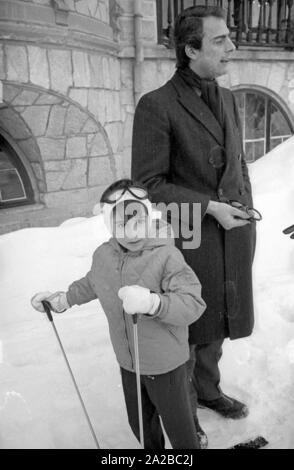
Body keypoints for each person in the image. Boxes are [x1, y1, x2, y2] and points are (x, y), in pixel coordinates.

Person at [132, 5, 256, 430]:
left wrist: (245, 209)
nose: (232, 47)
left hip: (233, 234)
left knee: (219, 321)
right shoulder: (156, 105)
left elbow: (237, 163)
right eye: (220, 40)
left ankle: (208, 389)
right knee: (187, 327)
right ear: (190, 49)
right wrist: (210, 208)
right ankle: (185, 413)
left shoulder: (227, 97)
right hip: (190, 238)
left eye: (229, 38)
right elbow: (149, 184)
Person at [31, 179, 207, 450]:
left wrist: (153, 303)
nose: (132, 231)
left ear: (149, 217)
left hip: (166, 366)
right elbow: (93, 283)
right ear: (109, 223)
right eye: (122, 223)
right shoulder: (104, 255)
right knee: (141, 426)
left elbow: (192, 303)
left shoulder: (167, 256)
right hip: (128, 364)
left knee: (181, 432)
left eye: (138, 221)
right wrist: (63, 299)